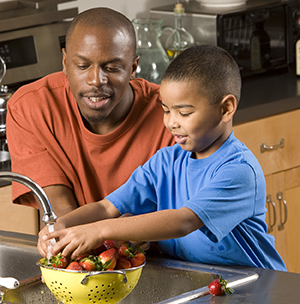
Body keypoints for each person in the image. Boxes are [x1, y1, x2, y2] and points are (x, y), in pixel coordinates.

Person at [38, 44, 286, 271]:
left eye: (184, 112)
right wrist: (60, 226)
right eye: (166, 110)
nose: (171, 123)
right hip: (202, 280)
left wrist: (99, 231)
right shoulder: (165, 162)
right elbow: (107, 207)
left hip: (255, 286)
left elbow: (184, 221)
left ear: (225, 109)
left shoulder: (239, 171)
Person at [6, 8, 174, 227]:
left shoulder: (172, 113)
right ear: (65, 63)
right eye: (83, 66)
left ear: (134, 67)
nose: (96, 80)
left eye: (112, 67)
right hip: (75, 253)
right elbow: (61, 213)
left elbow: (183, 216)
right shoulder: (30, 107)